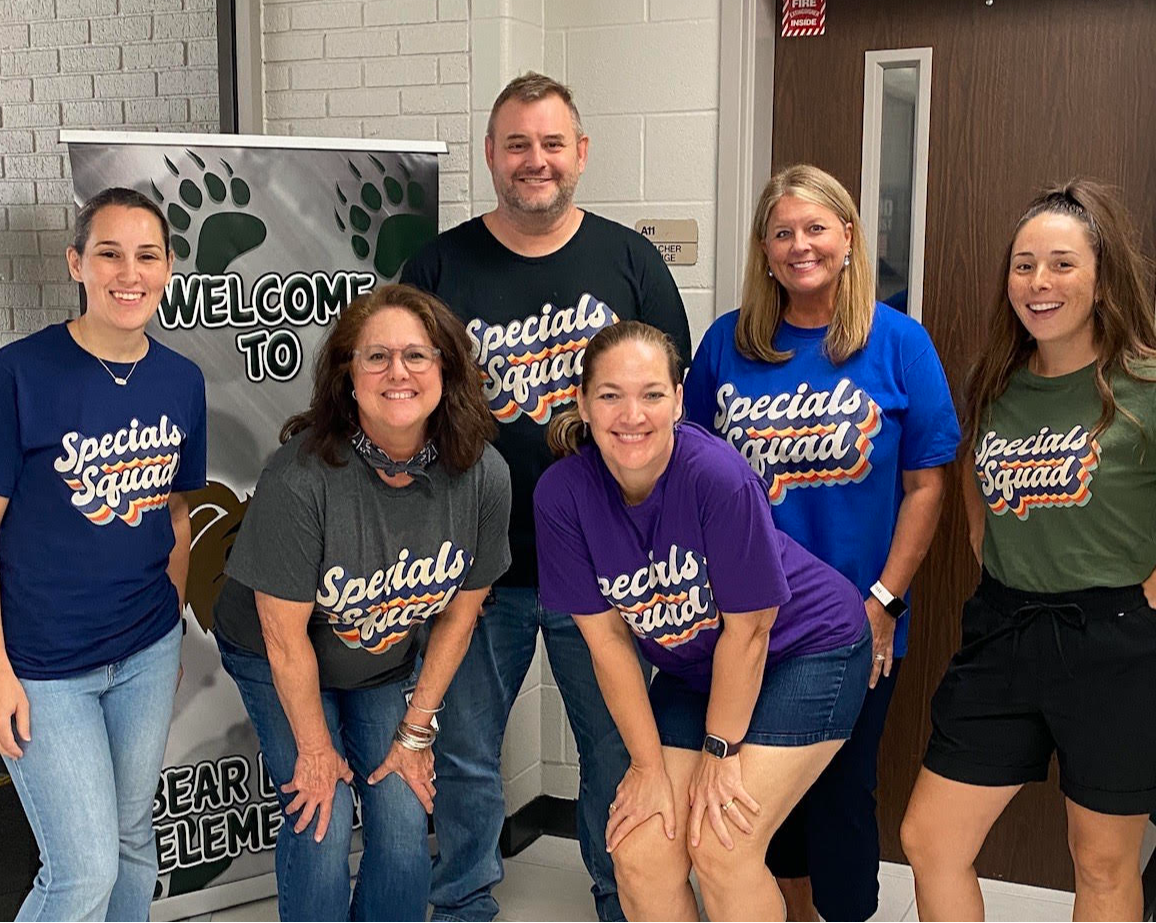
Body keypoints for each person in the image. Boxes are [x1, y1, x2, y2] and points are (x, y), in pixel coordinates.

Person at [401, 72, 691, 923]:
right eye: (517, 143)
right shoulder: (439, 264)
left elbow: (677, 402)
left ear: (581, 153)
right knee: (466, 752)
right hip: (473, 567)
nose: (536, 160)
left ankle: (621, 896)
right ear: (491, 155)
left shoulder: (629, 260)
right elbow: (400, 401)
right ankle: (460, 902)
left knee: (613, 751)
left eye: (552, 143)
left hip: (604, 567)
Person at [683, 163, 960, 922]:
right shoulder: (727, 344)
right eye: (783, 232)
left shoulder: (898, 342)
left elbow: (926, 487)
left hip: (853, 622)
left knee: (841, 788)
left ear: (847, 236)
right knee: (761, 793)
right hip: (746, 623)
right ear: (764, 248)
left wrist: (883, 602)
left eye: (815, 227)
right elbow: (691, 475)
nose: (799, 244)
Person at [533, 320, 871, 922]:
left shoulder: (716, 476)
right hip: (699, 669)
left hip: (809, 648)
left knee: (722, 846)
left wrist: (720, 752)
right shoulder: (562, 495)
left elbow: (750, 630)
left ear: (679, 399)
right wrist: (646, 769)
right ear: (582, 403)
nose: (631, 414)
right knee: (638, 852)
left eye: (652, 394)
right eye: (610, 395)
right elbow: (607, 641)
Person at [212, 284, 512, 922]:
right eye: (376, 357)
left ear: (447, 370)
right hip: (276, 655)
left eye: (416, 355)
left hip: (379, 658)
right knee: (320, 815)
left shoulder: (484, 474)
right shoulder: (300, 477)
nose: (397, 372)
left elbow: (460, 616)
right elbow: (285, 638)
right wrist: (317, 753)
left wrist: (416, 733)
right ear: (348, 375)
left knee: (404, 814)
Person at [901, 180, 1156, 922]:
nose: (1038, 283)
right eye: (1023, 264)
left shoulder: (1144, 383)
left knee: (1101, 861)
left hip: (1116, 644)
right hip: (1005, 632)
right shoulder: (996, 385)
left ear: (1103, 276)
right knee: (930, 837)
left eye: (1061, 264)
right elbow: (977, 507)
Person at [0, 186, 207, 921]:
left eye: (147, 254)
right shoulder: (19, 372)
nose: (130, 272)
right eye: (110, 253)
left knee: (130, 845)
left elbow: (177, 512)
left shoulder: (180, 380)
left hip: (145, 649)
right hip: (43, 666)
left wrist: (171, 623)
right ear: (77, 264)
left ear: (169, 267)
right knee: (80, 872)